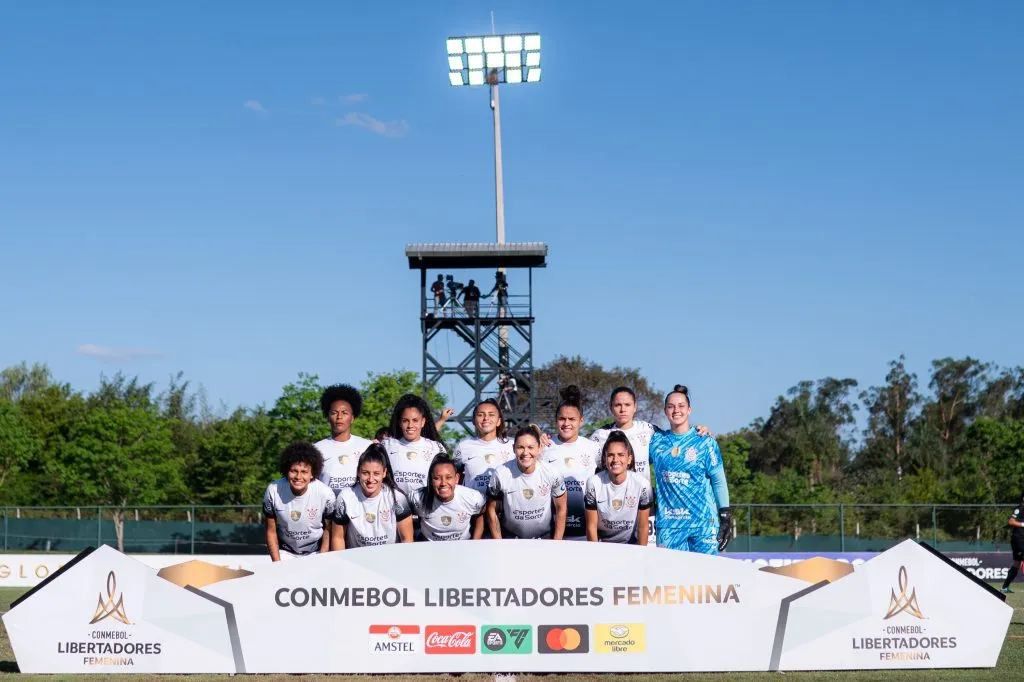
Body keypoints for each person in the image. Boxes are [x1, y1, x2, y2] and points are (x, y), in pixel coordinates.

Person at [649, 385, 732, 554]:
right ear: (665, 411)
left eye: (681, 406)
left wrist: (725, 516)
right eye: (671, 406)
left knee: (706, 578)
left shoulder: (705, 441)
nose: (676, 410)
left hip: (703, 524)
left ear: (689, 410)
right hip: (669, 526)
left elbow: (718, 481)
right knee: (671, 579)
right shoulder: (656, 441)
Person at [590, 386, 713, 479]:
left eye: (627, 405)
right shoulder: (599, 436)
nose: (623, 409)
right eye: (618, 405)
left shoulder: (649, 430)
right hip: (612, 505)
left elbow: (676, 435)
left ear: (635, 407)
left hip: (645, 505)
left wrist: (697, 430)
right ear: (611, 408)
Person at [486, 424, 567, 539]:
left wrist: (557, 542)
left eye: (530, 447)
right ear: (514, 448)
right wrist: (499, 542)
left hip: (544, 538)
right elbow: (491, 510)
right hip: (511, 538)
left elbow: (561, 508)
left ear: (539, 448)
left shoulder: (552, 472)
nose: (525, 452)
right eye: (520, 447)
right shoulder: (500, 474)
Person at [542, 386, 600, 539]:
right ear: (556, 421)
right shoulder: (545, 447)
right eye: (562, 419)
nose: (566, 423)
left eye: (572, 419)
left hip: (584, 531)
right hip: (552, 530)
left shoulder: (593, 447)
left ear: (581, 421)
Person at [262, 442, 336, 561]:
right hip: (285, 551)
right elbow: (271, 531)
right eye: (293, 471)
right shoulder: (273, 490)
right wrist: (277, 564)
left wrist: (322, 559)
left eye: (304, 472)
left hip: (315, 552)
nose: (298, 476)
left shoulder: (326, 494)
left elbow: (328, 530)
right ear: (286, 471)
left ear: (312, 474)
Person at [331, 444, 413, 548]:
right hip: (355, 559)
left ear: (384, 473)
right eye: (365, 473)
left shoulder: (397, 498)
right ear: (358, 472)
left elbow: (407, 539)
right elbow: (338, 538)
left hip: (390, 559)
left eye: (376, 473)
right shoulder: (345, 497)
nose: (370, 479)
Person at [585, 431, 653, 544]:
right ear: (605, 459)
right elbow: (591, 527)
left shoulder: (642, 485)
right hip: (603, 546)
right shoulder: (593, 483)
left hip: (631, 545)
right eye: (611, 455)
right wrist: (595, 555)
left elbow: (643, 527)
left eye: (621, 455)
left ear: (629, 459)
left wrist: (642, 556)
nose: (615, 460)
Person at [381, 394, 447, 498]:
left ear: (423, 422)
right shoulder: (387, 445)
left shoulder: (436, 448)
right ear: (399, 422)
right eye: (405, 421)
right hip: (394, 508)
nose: (410, 425)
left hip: (425, 509)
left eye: (415, 420)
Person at [410, 454, 486, 541]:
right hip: (429, 546)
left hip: (462, 546)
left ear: (457, 478)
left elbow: (481, 514)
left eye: (449, 477)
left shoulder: (472, 498)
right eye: (437, 478)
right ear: (431, 480)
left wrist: (475, 541)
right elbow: (407, 519)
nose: (443, 483)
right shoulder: (417, 498)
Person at [314, 384, 373, 496]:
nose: (339, 417)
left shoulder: (367, 446)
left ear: (352, 418)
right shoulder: (316, 449)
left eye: (344, 413)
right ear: (327, 417)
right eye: (334, 413)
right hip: (327, 512)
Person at [453, 398, 515, 496]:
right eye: (480, 415)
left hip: (505, 506)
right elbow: (454, 477)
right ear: (473, 420)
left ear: (499, 421)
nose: (486, 418)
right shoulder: (463, 447)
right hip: (474, 508)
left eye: (491, 415)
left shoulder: (513, 445)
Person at [1001, 492, 1024, 593]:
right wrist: (1023, 524)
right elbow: (1011, 521)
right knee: (1017, 563)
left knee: (1017, 564)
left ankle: (1005, 587)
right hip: (1019, 540)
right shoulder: (1019, 509)